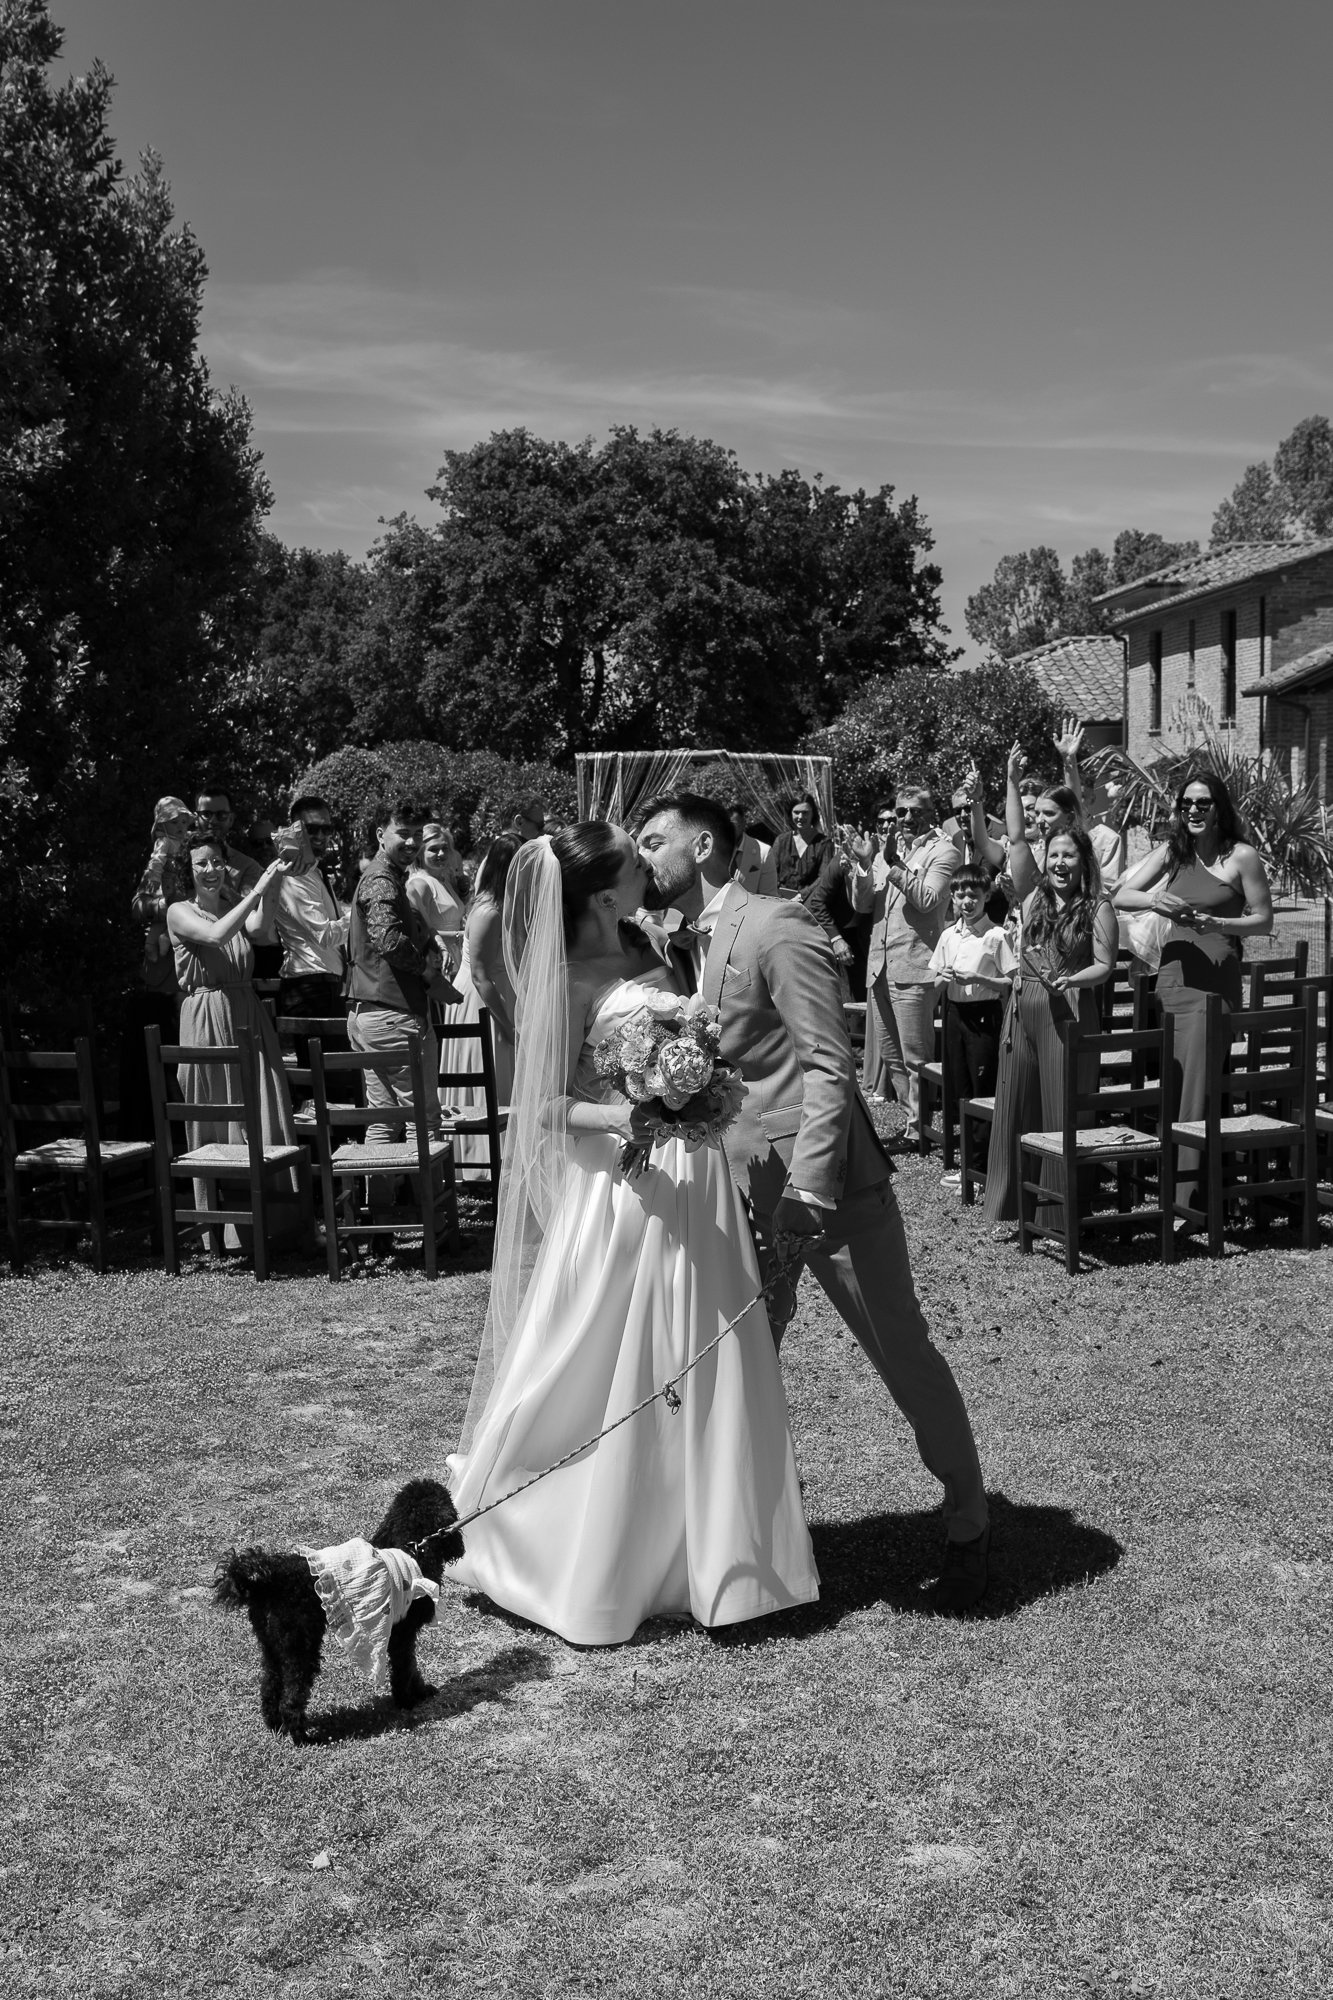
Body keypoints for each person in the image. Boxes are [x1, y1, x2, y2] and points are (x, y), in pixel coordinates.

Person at [446, 823, 819, 1645]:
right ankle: (577, 1537)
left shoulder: (649, 940)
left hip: (697, 1172)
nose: (645, 860)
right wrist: (629, 1114)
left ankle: (711, 1549)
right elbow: (542, 1105)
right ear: (602, 891)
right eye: (631, 852)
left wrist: (700, 1087)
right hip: (623, 1184)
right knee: (606, 1352)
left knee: (707, 1345)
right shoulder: (562, 977)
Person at [636, 793, 990, 1610]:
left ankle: (969, 1523)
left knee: (900, 1351)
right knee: (739, 1366)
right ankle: (749, 1534)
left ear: (703, 845)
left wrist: (807, 1186)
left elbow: (828, 1065)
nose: (643, 856)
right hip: (732, 1189)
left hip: (825, 1188)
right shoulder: (676, 937)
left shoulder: (777, 923)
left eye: (654, 841)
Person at [1113, 770, 1273, 1223]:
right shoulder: (1173, 851)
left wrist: (1217, 923)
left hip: (1215, 982)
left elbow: (1263, 920)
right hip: (1172, 979)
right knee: (1177, 1081)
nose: (1194, 811)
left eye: (1203, 803)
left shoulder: (1242, 856)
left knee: (1197, 1088)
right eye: (1186, 804)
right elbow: (1121, 895)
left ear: (1219, 807)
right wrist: (1156, 901)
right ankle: (1196, 1190)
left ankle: (1190, 1202)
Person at [982, 746, 1118, 1230]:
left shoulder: (1098, 907)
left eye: (1069, 856)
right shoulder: (1033, 896)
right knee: (1016, 1102)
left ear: (1084, 861)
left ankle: (1061, 1214)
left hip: (1070, 1009)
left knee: (1062, 1109)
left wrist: (1072, 979)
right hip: (1024, 1008)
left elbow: (1105, 965)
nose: (1060, 862)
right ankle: (1014, 1206)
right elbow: (1017, 837)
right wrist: (1011, 778)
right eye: (1054, 855)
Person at [167, 832, 302, 1247]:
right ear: (189, 870)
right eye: (201, 863)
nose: (210, 870)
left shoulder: (230, 906)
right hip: (207, 1021)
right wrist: (256, 890)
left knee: (263, 1108)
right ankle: (221, 1231)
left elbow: (260, 929)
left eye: (215, 862)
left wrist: (276, 877)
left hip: (247, 1014)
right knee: (216, 1117)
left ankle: (277, 1225)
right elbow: (215, 937)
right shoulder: (178, 911)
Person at [848, 784, 958, 1147]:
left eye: (916, 811)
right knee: (892, 1057)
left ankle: (920, 1129)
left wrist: (893, 862)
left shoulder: (944, 851)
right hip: (879, 967)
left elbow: (927, 899)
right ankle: (915, 1125)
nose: (907, 818)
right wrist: (866, 864)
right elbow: (863, 905)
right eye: (901, 811)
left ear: (931, 813)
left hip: (914, 966)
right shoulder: (887, 849)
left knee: (916, 1058)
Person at [344, 801, 444, 1152]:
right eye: (403, 833)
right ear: (380, 834)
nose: (412, 842)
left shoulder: (383, 877)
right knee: (423, 1120)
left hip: (369, 1014)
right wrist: (426, 970)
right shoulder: (381, 879)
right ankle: (429, 1190)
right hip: (392, 1015)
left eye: (417, 834)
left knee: (384, 1119)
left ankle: (381, 1191)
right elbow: (388, 940)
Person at [928, 864, 1015, 1188]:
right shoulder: (948, 935)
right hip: (954, 1014)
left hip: (983, 1016)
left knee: (982, 1089)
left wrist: (979, 978)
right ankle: (968, 1163)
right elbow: (935, 981)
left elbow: (1011, 982)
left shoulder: (996, 936)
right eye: (960, 895)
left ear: (986, 896)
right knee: (959, 1088)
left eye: (973, 896)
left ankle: (983, 1167)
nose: (967, 902)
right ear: (952, 897)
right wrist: (942, 978)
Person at [436, 835, 519, 1175]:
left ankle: (504, 1155)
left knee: (503, 1076)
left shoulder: (505, 905)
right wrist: (506, 1025)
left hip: (498, 994)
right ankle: (479, 1159)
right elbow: (481, 975)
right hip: (481, 1000)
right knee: (488, 1073)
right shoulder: (488, 911)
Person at [273, 794, 349, 1025]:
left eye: (327, 829)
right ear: (295, 830)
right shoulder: (295, 874)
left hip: (325, 987)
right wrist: (361, 911)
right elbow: (324, 936)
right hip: (311, 989)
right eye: (312, 829)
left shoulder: (314, 871)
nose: (321, 836)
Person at [407, 824, 467, 982]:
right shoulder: (420, 884)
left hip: (456, 960)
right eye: (433, 849)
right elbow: (420, 932)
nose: (441, 853)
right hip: (437, 962)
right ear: (420, 853)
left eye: (445, 848)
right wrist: (462, 936)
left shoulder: (444, 880)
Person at [193, 786, 263, 898]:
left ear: (231, 819)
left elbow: (250, 906)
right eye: (206, 814)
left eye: (221, 815)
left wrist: (220, 887)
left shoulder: (249, 867)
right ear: (196, 819)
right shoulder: (179, 860)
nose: (213, 821)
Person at [765, 793, 829, 901]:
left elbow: (823, 877)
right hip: (780, 900)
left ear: (813, 814)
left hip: (810, 901)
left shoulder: (824, 843)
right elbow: (770, 871)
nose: (800, 817)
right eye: (796, 812)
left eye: (805, 813)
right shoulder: (781, 840)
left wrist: (801, 896)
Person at [727, 802, 772, 895]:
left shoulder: (763, 852)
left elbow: (769, 895)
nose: (729, 829)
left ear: (743, 823)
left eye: (733, 825)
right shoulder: (713, 851)